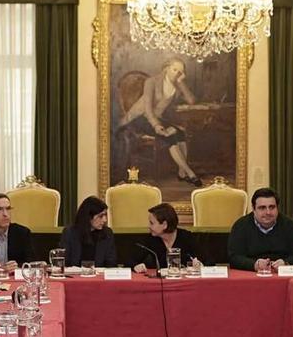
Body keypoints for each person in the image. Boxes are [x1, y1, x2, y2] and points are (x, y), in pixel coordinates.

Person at [117, 58, 202, 186]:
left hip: (155, 117)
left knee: (180, 133)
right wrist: (157, 125)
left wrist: (181, 82)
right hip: (139, 118)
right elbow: (147, 108)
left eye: (180, 72)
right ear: (166, 68)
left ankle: (182, 174)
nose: (177, 73)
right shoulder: (151, 82)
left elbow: (191, 100)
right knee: (170, 136)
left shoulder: (177, 84)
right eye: (174, 70)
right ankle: (190, 173)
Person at [228, 188, 293, 271]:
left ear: (277, 208)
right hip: (251, 274)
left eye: (272, 207)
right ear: (254, 209)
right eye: (262, 208)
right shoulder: (240, 226)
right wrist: (254, 265)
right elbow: (234, 258)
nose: (268, 212)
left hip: (282, 274)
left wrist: (286, 262)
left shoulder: (290, 226)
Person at [133, 203, 198, 273]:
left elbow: (204, 261)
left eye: (151, 223)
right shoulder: (151, 239)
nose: (148, 226)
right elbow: (131, 261)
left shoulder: (187, 238)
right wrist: (136, 266)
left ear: (164, 225)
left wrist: (199, 265)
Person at [60, 196, 117, 267]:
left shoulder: (107, 233)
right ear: (88, 216)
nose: (105, 220)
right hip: (75, 277)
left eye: (105, 215)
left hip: (99, 277)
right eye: (101, 216)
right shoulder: (69, 233)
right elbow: (63, 262)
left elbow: (111, 263)